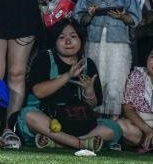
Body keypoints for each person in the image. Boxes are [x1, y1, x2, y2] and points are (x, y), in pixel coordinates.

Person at [17, 19, 122, 152]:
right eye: (62, 37)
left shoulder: (88, 64)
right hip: (50, 120)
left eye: (73, 37)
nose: (68, 42)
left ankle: (59, 143)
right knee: (28, 115)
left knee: (113, 128)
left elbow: (92, 106)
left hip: (79, 122)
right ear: (55, 41)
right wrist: (68, 75)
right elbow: (38, 92)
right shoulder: (44, 58)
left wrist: (89, 91)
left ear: (81, 40)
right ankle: (80, 144)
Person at [75, 0, 141, 117]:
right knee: (96, 76)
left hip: (118, 45)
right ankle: (94, 114)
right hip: (94, 44)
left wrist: (123, 17)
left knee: (116, 79)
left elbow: (135, 20)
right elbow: (79, 19)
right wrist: (89, 14)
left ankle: (114, 116)